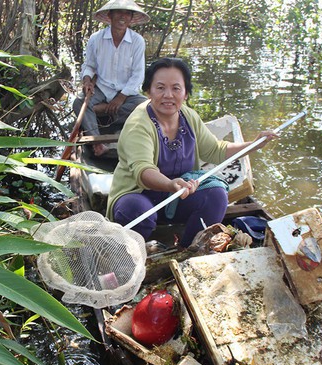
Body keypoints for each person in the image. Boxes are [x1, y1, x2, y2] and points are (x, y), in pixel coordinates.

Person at [106, 58, 279, 248]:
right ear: (148, 91)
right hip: (139, 196)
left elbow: (215, 150)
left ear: (186, 93)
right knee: (137, 209)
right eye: (160, 88)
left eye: (176, 88)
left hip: (177, 196)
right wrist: (171, 184)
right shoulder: (139, 124)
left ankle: (187, 250)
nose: (168, 95)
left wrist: (253, 145)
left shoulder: (188, 116)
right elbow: (143, 171)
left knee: (216, 195)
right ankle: (133, 256)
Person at [73, 0, 149, 156]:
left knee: (149, 106)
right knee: (79, 103)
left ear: (131, 18)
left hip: (126, 94)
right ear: (110, 15)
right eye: (119, 12)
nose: (123, 17)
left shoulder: (137, 41)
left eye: (127, 13)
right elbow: (90, 66)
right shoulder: (96, 38)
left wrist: (120, 98)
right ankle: (98, 142)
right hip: (102, 89)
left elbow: (138, 75)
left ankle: (99, 110)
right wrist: (87, 80)